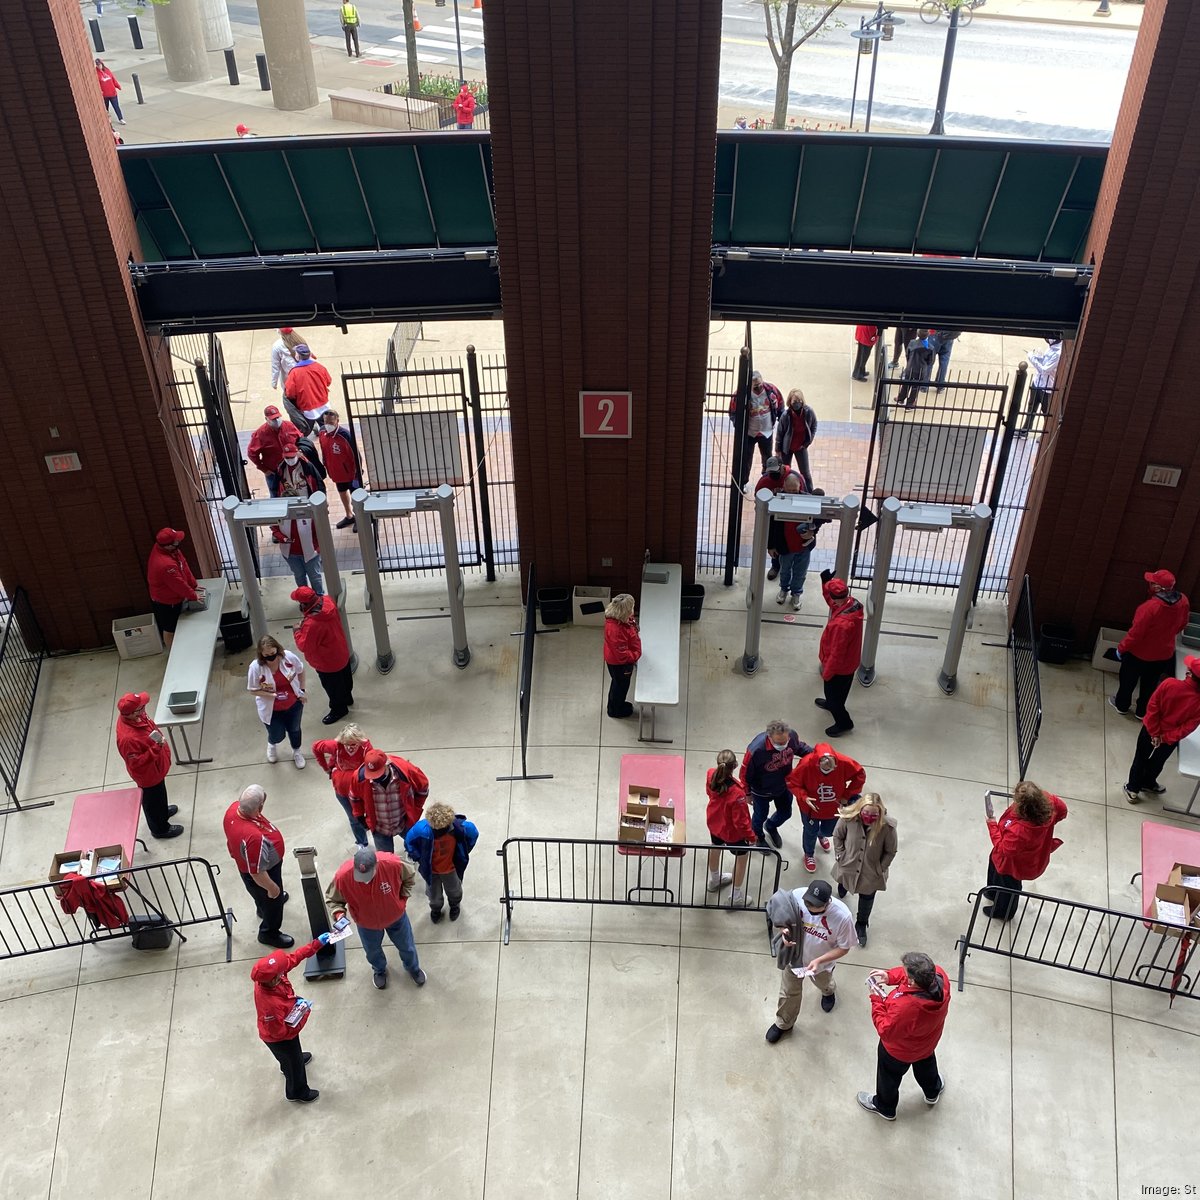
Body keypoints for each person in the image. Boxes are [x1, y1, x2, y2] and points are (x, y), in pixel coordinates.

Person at [857, 952, 949, 1120]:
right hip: (927, 1043)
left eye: (905, 974)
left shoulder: (906, 1007)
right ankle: (933, 1090)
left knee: (889, 1077)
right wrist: (890, 976)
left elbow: (886, 1031)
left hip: (898, 1052)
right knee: (926, 1065)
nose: (903, 975)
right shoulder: (941, 977)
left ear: (912, 981)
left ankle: (885, 1107)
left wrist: (876, 999)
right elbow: (914, 977)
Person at [764, 878, 857, 1042]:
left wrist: (819, 961)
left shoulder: (843, 917)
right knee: (788, 992)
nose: (809, 908)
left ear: (827, 903)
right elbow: (779, 914)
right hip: (795, 957)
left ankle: (828, 991)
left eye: (815, 907)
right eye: (808, 904)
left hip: (821, 964)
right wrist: (784, 931)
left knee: (824, 983)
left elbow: (844, 948)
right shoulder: (796, 896)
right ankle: (784, 1023)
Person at [326, 847, 426, 990]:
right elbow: (333, 899)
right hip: (366, 924)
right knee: (372, 951)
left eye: (368, 875)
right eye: (360, 876)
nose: (364, 880)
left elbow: (410, 876)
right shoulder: (343, 877)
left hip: (396, 917)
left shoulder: (393, 864)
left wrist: (402, 899)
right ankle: (379, 970)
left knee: (407, 946)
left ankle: (413, 968)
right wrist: (339, 914)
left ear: (377, 865)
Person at [251, 935, 330, 1104]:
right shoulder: (269, 1006)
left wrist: (316, 944)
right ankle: (297, 1091)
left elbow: (295, 957)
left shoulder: (270, 977)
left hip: (285, 1023)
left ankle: (290, 1061)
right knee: (293, 1064)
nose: (283, 968)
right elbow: (281, 1033)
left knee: (291, 1056)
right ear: (274, 979)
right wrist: (302, 1014)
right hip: (279, 1038)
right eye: (280, 970)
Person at [1109, 568, 1190, 720]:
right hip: (1163, 654)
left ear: (1157, 588)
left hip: (1138, 654)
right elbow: (1183, 624)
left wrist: (1121, 649)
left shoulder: (1149, 608)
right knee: (1150, 684)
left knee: (1128, 680)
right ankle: (1142, 712)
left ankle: (1121, 705)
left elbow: (1135, 635)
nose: (1149, 584)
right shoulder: (1183, 600)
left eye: (1152, 583)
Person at [983, 780, 1068, 919]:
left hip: (1012, 865)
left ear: (1023, 807)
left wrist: (992, 824)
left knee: (1008, 887)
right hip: (1014, 857)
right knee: (994, 868)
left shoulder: (1020, 831)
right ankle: (992, 892)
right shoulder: (1050, 802)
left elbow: (1004, 849)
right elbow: (1063, 810)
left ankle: (1003, 912)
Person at [224, 784, 294, 948]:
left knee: (261, 897)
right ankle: (269, 933)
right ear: (259, 807)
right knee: (272, 902)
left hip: (249, 866)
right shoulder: (253, 838)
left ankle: (262, 909)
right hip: (265, 874)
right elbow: (257, 873)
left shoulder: (233, 809)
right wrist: (272, 888)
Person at [1123, 656, 1200, 803]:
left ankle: (1133, 788)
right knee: (1159, 761)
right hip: (1170, 739)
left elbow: (1153, 707)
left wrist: (1154, 732)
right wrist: (1164, 738)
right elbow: (1188, 728)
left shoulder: (1169, 684)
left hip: (1150, 730)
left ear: (1188, 673)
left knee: (1141, 758)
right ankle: (1148, 782)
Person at [787, 742, 866, 874]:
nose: (828, 770)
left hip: (833, 807)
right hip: (810, 809)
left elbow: (860, 774)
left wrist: (847, 795)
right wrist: (804, 797)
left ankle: (821, 834)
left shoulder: (844, 762)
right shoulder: (806, 764)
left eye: (831, 768)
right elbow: (792, 782)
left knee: (829, 831)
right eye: (824, 768)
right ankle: (809, 854)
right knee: (809, 831)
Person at [114, 691, 183, 839]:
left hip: (156, 769)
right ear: (132, 713)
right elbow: (136, 762)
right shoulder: (127, 739)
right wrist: (156, 748)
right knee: (152, 801)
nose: (144, 709)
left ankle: (163, 812)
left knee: (160, 794)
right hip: (148, 776)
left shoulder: (137, 717)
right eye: (141, 707)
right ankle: (160, 829)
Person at [832, 792, 897, 947]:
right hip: (848, 865)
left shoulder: (887, 827)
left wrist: (880, 868)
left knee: (867, 898)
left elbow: (891, 851)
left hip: (871, 871)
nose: (869, 817)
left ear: (880, 812)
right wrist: (840, 855)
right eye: (866, 812)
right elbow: (837, 836)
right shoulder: (848, 819)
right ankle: (843, 887)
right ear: (860, 809)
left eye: (874, 814)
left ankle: (861, 924)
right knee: (846, 881)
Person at [741, 720, 813, 848]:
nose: (783, 745)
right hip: (761, 790)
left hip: (784, 785)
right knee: (759, 816)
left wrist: (818, 754)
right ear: (769, 737)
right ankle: (758, 837)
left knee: (786, 812)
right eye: (779, 743)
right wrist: (747, 793)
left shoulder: (791, 737)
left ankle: (771, 826)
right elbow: (745, 774)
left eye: (785, 741)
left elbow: (799, 747)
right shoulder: (756, 750)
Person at [404, 802, 480, 923]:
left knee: (454, 890)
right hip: (431, 870)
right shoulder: (421, 829)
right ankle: (436, 909)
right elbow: (409, 842)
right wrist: (419, 857)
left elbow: (473, 834)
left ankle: (454, 905)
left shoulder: (461, 828)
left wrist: (465, 850)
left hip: (450, 868)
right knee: (433, 895)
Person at [290, 586, 353, 724]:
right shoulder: (328, 601)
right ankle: (348, 698)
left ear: (303, 605)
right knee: (345, 678)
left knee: (333, 687)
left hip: (327, 663)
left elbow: (304, 646)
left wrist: (297, 631)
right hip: (341, 651)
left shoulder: (312, 624)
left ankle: (339, 709)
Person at [350, 748, 429, 854]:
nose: (374, 778)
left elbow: (423, 788)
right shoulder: (359, 777)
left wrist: (416, 809)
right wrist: (360, 817)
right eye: (372, 774)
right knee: (386, 860)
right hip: (380, 828)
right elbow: (354, 797)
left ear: (387, 764)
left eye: (378, 773)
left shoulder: (406, 770)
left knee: (417, 848)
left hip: (404, 822)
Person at [705, 749, 757, 906]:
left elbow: (709, 792)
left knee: (716, 847)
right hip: (733, 834)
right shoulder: (737, 793)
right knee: (741, 859)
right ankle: (736, 897)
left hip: (715, 823)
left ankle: (714, 880)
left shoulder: (711, 774)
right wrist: (751, 837)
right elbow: (741, 822)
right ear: (735, 765)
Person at [247, 635, 308, 768]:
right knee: (277, 734)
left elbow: (301, 671)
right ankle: (272, 744)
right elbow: (253, 690)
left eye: (273, 654)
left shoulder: (289, 657)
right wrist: (270, 695)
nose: (271, 658)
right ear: (261, 655)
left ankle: (297, 751)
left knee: (295, 729)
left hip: (293, 704)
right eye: (267, 655)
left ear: (277, 650)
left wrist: (302, 690)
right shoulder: (256, 667)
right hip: (272, 709)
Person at [312, 723, 375, 850]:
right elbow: (316, 747)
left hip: (361, 790)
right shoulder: (335, 746)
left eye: (354, 744)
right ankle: (362, 843)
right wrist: (325, 767)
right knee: (353, 818)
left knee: (368, 813)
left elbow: (373, 766)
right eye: (347, 743)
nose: (350, 747)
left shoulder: (366, 748)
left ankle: (367, 827)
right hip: (342, 791)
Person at [816, 574, 863, 737]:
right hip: (850, 662)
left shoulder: (841, 625)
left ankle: (844, 722)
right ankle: (832, 704)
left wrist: (827, 673)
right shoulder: (852, 605)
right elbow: (832, 600)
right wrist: (825, 583)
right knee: (840, 692)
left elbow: (836, 653)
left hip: (839, 668)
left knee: (834, 695)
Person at [146, 527, 204, 649]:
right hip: (165, 602)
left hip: (175, 595)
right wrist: (193, 595)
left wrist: (194, 585)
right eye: (176, 541)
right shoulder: (165, 564)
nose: (179, 543)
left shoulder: (173, 551)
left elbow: (184, 566)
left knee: (178, 625)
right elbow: (178, 583)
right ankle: (173, 653)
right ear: (168, 546)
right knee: (170, 630)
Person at [754, 455, 805, 582]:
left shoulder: (795, 478)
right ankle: (775, 566)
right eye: (771, 471)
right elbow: (758, 499)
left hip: (794, 518)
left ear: (782, 467)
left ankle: (793, 571)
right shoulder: (764, 481)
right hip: (775, 519)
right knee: (777, 541)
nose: (773, 474)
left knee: (794, 546)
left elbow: (805, 498)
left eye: (776, 471)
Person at [768, 475, 815, 610]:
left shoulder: (808, 499)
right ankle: (784, 590)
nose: (792, 494)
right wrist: (770, 546)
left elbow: (817, 519)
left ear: (800, 486)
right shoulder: (777, 501)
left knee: (800, 573)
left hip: (803, 547)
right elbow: (771, 526)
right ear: (784, 487)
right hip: (785, 546)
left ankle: (796, 593)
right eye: (789, 491)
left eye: (794, 491)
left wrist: (813, 532)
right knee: (785, 571)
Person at [730, 370, 782, 483]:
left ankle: (767, 481)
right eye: (755, 386)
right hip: (749, 433)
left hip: (766, 432)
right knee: (746, 460)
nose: (758, 387)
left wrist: (780, 420)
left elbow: (780, 405)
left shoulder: (771, 390)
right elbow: (733, 413)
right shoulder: (740, 393)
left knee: (768, 459)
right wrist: (739, 427)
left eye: (759, 385)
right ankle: (743, 483)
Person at [316, 409, 361, 529]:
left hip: (351, 474)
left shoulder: (345, 435)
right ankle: (349, 515)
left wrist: (358, 471)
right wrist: (326, 465)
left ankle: (360, 518)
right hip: (336, 472)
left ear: (337, 421)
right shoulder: (322, 432)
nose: (328, 425)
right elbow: (323, 450)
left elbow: (356, 454)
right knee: (342, 492)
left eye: (331, 422)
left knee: (355, 496)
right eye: (326, 422)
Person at [247, 405, 302, 497]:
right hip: (274, 471)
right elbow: (252, 453)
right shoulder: (260, 433)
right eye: (273, 419)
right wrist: (264, 469)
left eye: (277, 417)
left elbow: (300, 439)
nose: (276, 420)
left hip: (293, 467)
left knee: (299, 491)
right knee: (276, 494)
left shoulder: (289, 426)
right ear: (266, 419)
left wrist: (300, 451)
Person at [603, 593, 642, 719]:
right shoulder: (616, 630)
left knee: (617, 683)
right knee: (620, 686)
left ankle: (616, 705)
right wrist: (635, 655)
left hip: (615, 660)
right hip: (620, 664)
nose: (633, 610)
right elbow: (622, 655)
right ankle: (615, 710)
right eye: (631, 608)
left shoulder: (619, 619)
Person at [773, 388, 817, 489]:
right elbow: (779, 434)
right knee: (784, 472)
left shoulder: (809, 412)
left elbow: (814, 425)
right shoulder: (785, 416)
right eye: (794, 402)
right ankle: (783, 490)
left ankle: (810, 493)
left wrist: (808, 442)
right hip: (786, 449)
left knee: (806, 473)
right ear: (790, 402)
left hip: (801, 447)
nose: (797, 404)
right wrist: (778, 451)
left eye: (799, 401)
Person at [284, 343, 333, 428]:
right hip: (324, 404)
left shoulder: (294, 373)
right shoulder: (320, 367)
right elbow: (328, 381)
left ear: (298, 356)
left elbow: (290, 393)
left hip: (307, 409)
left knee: (304, 432)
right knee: (327, 430)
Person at [1019, 338, 1062, 435]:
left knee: (1046, 412)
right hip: (1037, 382)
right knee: (1031, 407)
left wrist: (1032, 358)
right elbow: (1044, 361)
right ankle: (1025, 430)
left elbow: (1044, 370)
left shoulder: (1058, 353)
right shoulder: (1051, 347)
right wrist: (1037, 357)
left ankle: (1045, 434)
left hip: (1046, 388)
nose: (1046, 340)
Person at [895, 330, 936, 408]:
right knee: (915, 387)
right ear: (928, 335)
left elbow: (908, 354)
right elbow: (931, 361)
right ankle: (910, 403)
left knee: (906, 384)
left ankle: (901, 398)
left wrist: (910, 362)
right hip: (921, 370)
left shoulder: (912, 343)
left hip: (910, 367)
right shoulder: (930, 348)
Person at [95, 60, 124, 124]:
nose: (99, 66)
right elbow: (97, 84)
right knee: (106, 108)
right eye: (97, 65)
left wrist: (118, 86)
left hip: (112, 92)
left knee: (116, 106)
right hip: (104, 94)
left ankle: (120, 118)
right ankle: (107, 120)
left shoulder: (107, 70)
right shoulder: (96, 73)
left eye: (99, 64)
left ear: (102, 64)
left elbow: (113, 79)